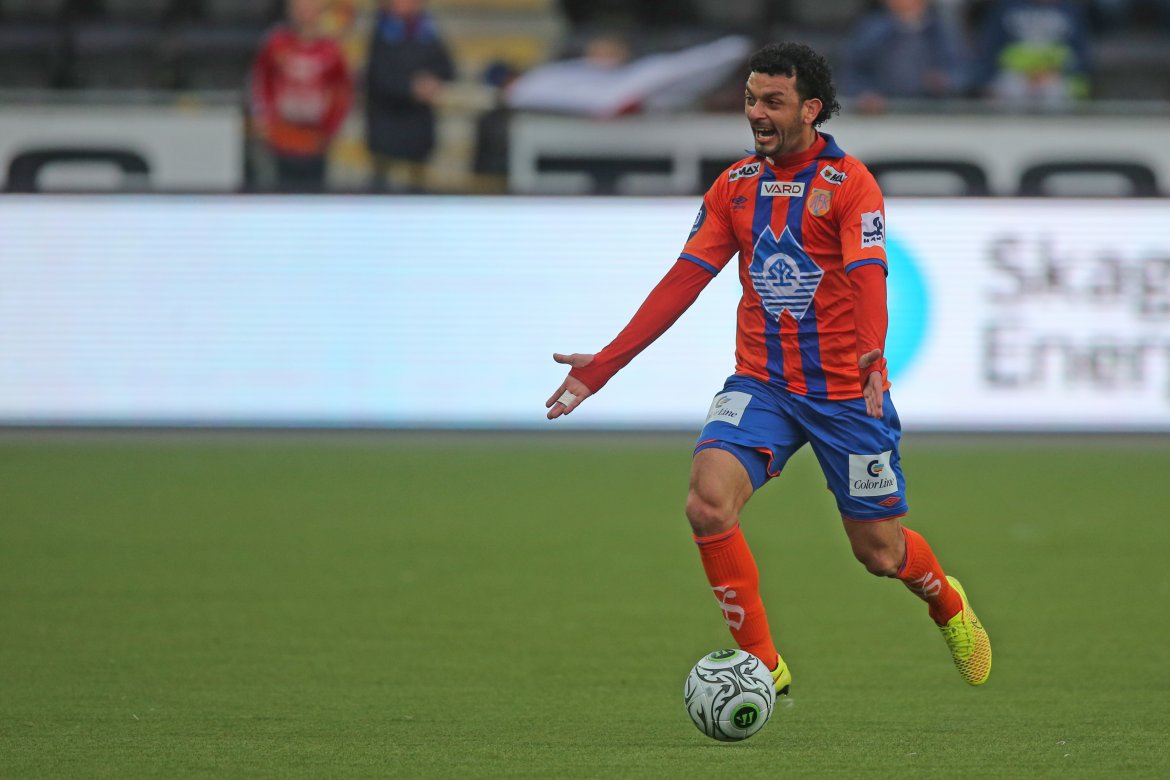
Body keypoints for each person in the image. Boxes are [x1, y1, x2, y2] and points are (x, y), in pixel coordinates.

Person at [545, 42, 992, 694]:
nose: (756, 111)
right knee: (706, 502)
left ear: (810, 108)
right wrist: (606, 364)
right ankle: (764, 665)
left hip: (846, 393)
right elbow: (684, 279)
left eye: (772, 101)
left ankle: (946, 601)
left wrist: (872, 353)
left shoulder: (850, 185)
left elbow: (869, 275)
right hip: (764, 385)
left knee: (880, 554)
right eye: (751, 98)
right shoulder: (736, 186)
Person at [249, 0, 353, 193]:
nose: (306, 12)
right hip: (281, 139)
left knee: (313, 199)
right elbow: (261, 83)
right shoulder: (276, 44)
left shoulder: (331, 50)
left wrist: (330, 128)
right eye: (301, 7)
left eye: (311, 7)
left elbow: (342, 93)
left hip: (315, 141)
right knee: (280, 196)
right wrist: (264, 119)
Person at [364, 0, 454, 192]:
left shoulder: (427, 30)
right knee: (380, 185)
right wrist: (410, 88)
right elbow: (377, 77)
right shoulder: (381, 32)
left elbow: (447, 67)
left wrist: (433, 81)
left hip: (418, 125)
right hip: (386, 123)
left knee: (417, 186)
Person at [840, 0, 969, 113]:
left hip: (934, 114)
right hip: (884, 114)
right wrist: (865, 94)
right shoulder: (871, 32)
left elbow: (965, 71)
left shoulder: (942, 31)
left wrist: (945, 80)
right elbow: (852, 73)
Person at [973, 0, 1093, 107]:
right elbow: (990, 47)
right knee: (1007, 89)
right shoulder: (1007, 8)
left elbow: (1081, 52)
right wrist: (986, 81)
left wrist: (1054, 72)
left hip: (1057, 76)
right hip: (1013, 75)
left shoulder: (1071, 11)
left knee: (1057, 91)